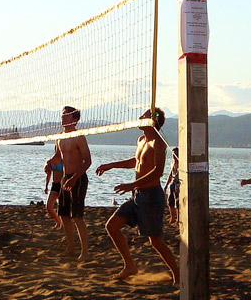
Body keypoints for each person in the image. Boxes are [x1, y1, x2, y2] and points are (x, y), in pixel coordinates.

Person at [98, 108, 178, 284]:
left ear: (152, 121)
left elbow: (158, 171)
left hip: (151, 196)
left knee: (156, 242)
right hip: (137, 195)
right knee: (111, 226)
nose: (140, 118)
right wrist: (111, 165)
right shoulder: (141, 140)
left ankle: (178, 275)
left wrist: (131, 185)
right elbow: (135, 162)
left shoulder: (158, 142)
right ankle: (129, 265)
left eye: (145, 115)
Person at [46, 106, 91, 262]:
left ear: (74, 119)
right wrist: (49, 163)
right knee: (64, 215)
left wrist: (74, 178)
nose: (63, 117)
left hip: (78, 178)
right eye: (62, 114)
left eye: (66, 115)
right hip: (66, 177)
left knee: (77, 216)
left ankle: (85, 252)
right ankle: (71, 247)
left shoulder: (79, 136)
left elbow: (87, 161)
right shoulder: (59, 137)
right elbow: (58, 157)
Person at [43, 153, 63, 229]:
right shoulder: (52, 160)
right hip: (54, 184)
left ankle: (61, 224)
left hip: (62, 184)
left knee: (61, 206)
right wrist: (46, 186)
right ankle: (58, 221)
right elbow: (48, 174)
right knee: (48, 206)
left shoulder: (64, 159)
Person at [163, 147, 180, 225]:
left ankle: (178, 218)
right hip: (172, 182)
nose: (174, 155)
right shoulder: (172, 163)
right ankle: (172, 217)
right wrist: (166, 185)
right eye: (173, 154)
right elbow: (170, 174)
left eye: (176, 154)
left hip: (178, 183)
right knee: (170, 201)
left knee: (177, 201)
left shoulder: (181, 163)